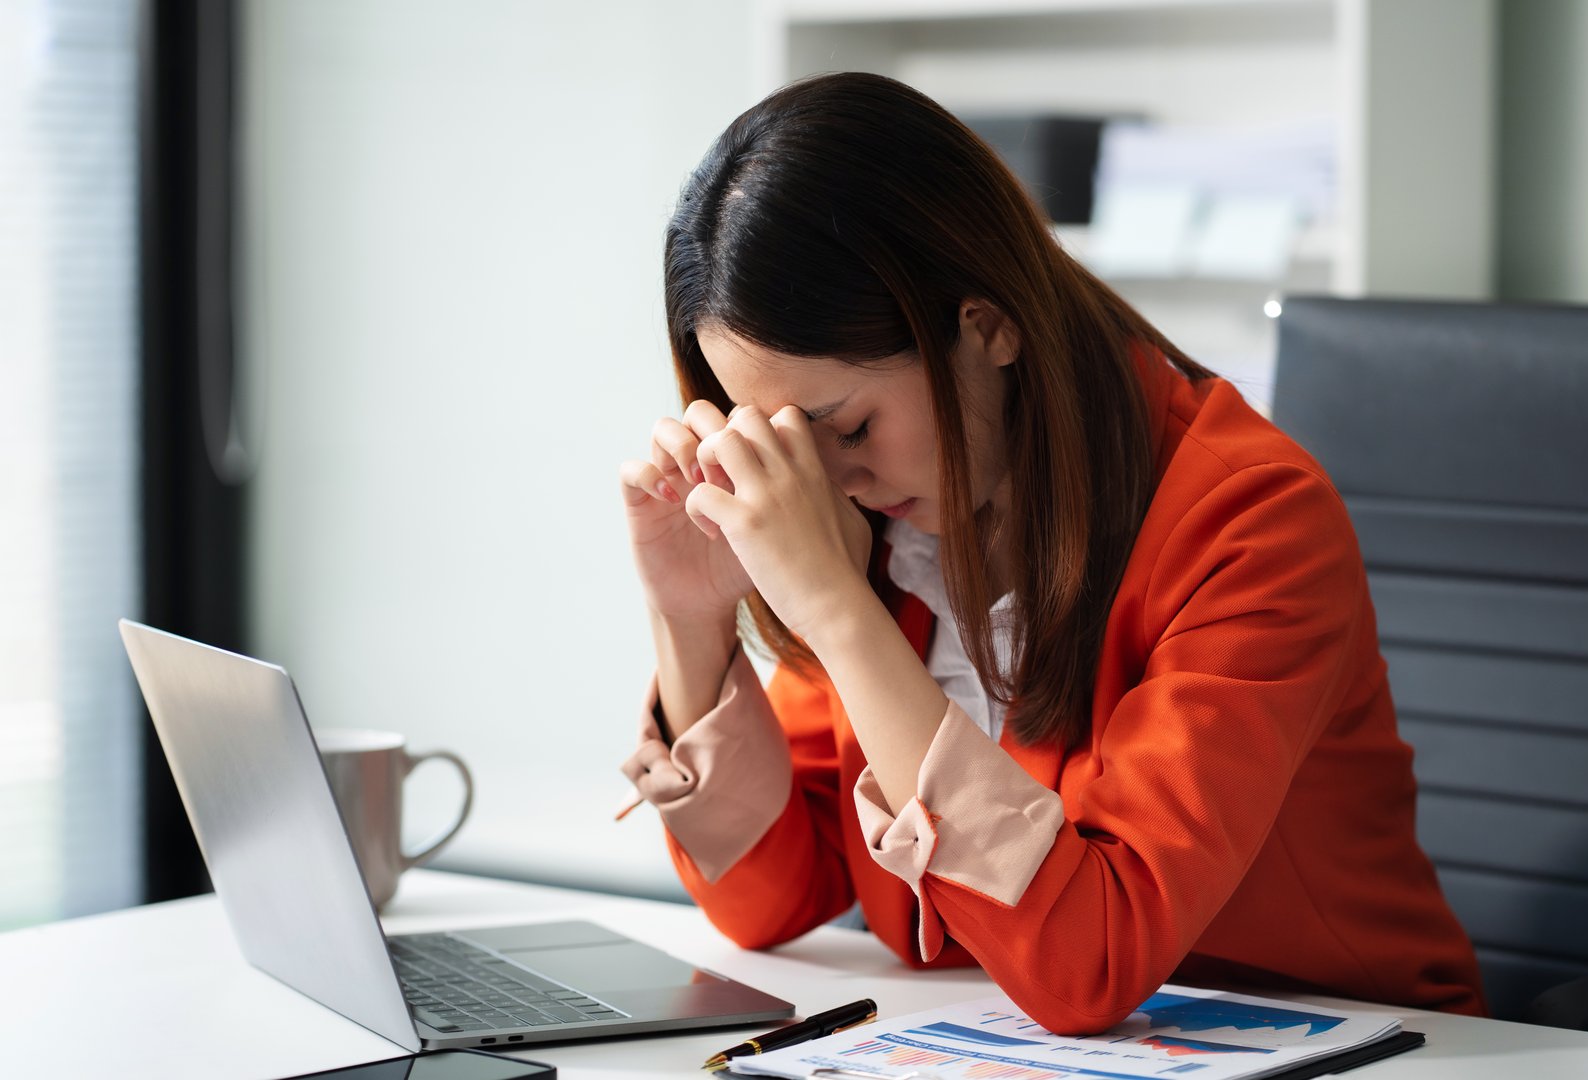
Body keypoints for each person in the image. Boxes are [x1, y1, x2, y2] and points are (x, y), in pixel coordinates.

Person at [616, 72, 1486, 1032]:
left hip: (1352, 1048)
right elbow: (771, 897)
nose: (827, 483)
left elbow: (1089, 961)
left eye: (850, 428)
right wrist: (691, 621)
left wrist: (834, 610)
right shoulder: (897, 530)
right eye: (781, 439)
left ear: (987, 326)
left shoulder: (1251, 519)